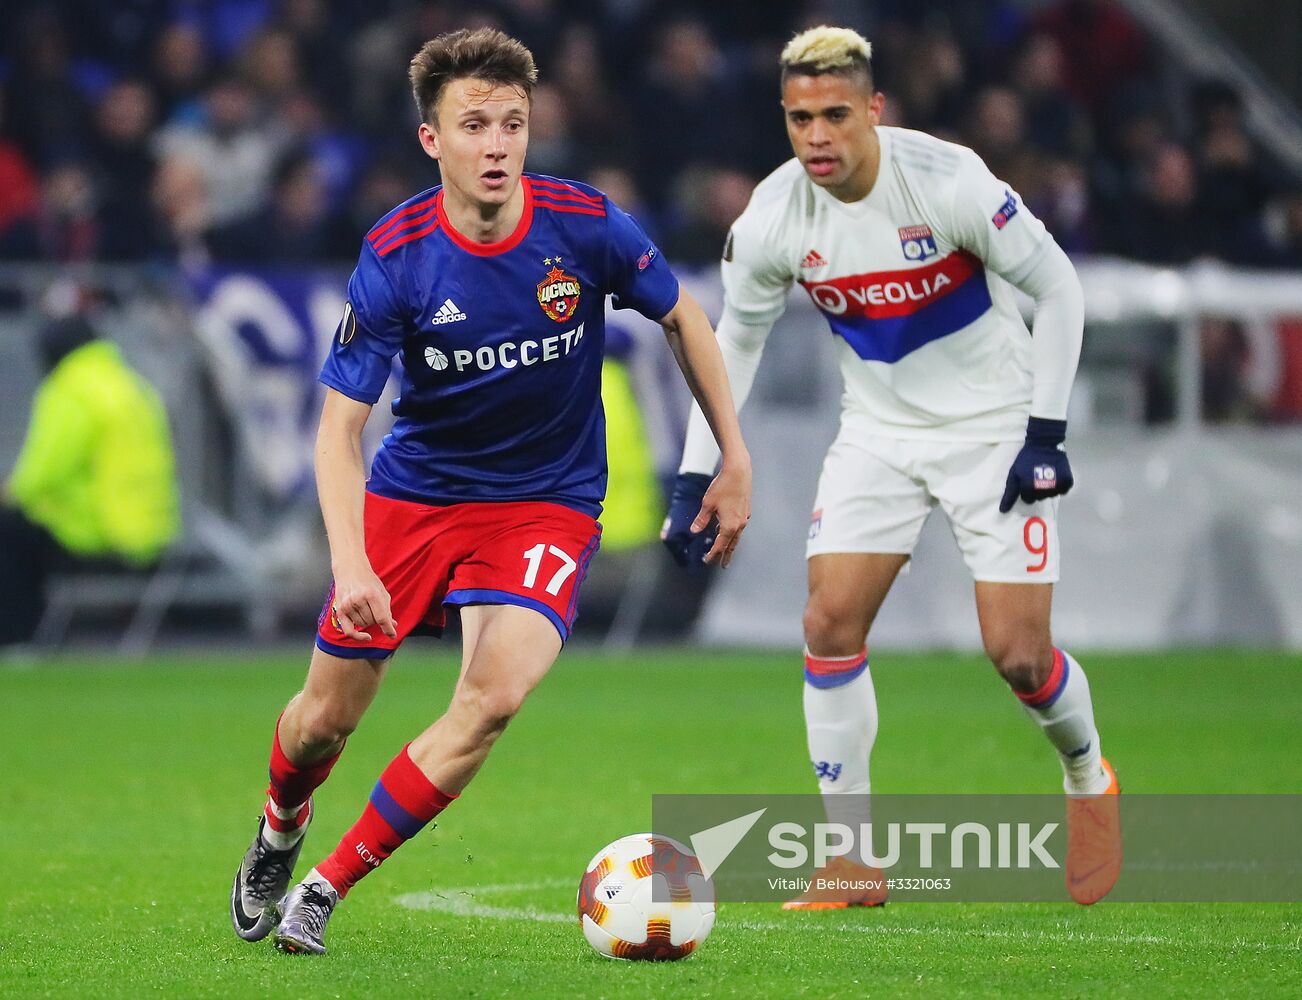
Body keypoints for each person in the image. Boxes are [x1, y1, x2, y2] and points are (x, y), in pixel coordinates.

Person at [228, 28, 752, 956]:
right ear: (434, 140)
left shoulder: (583, 223)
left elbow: (685, 317)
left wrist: (732, 456)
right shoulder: (397, 255)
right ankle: (280, 826)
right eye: (476, 125)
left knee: (495, 697)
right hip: (419, 498)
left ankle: (325, 885)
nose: (500, 144)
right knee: (321, 723)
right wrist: (351, 563)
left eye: (514, 122)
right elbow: (338, 430)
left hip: (546, 502)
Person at [662, 26, 1120, 908]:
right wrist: (694, 475)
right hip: (877, 431)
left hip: (995, 427)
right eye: (799, 119)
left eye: (836, 114)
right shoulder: (773, 218)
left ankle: (1089, 777)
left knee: (1019, 658)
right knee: (829, 622)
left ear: (874, 109)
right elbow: (731, 348)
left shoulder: (948, 181)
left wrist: (1046, 432)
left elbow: (1058, 287)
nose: (817, 137)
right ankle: (852, 861)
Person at [1, 315, 179, 645]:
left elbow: (40, 475)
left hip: (99, 534)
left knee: (9, 529)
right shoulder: (131, 383)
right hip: (150, 534)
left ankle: (17, 638)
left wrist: (9, 491)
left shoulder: (72, 388)